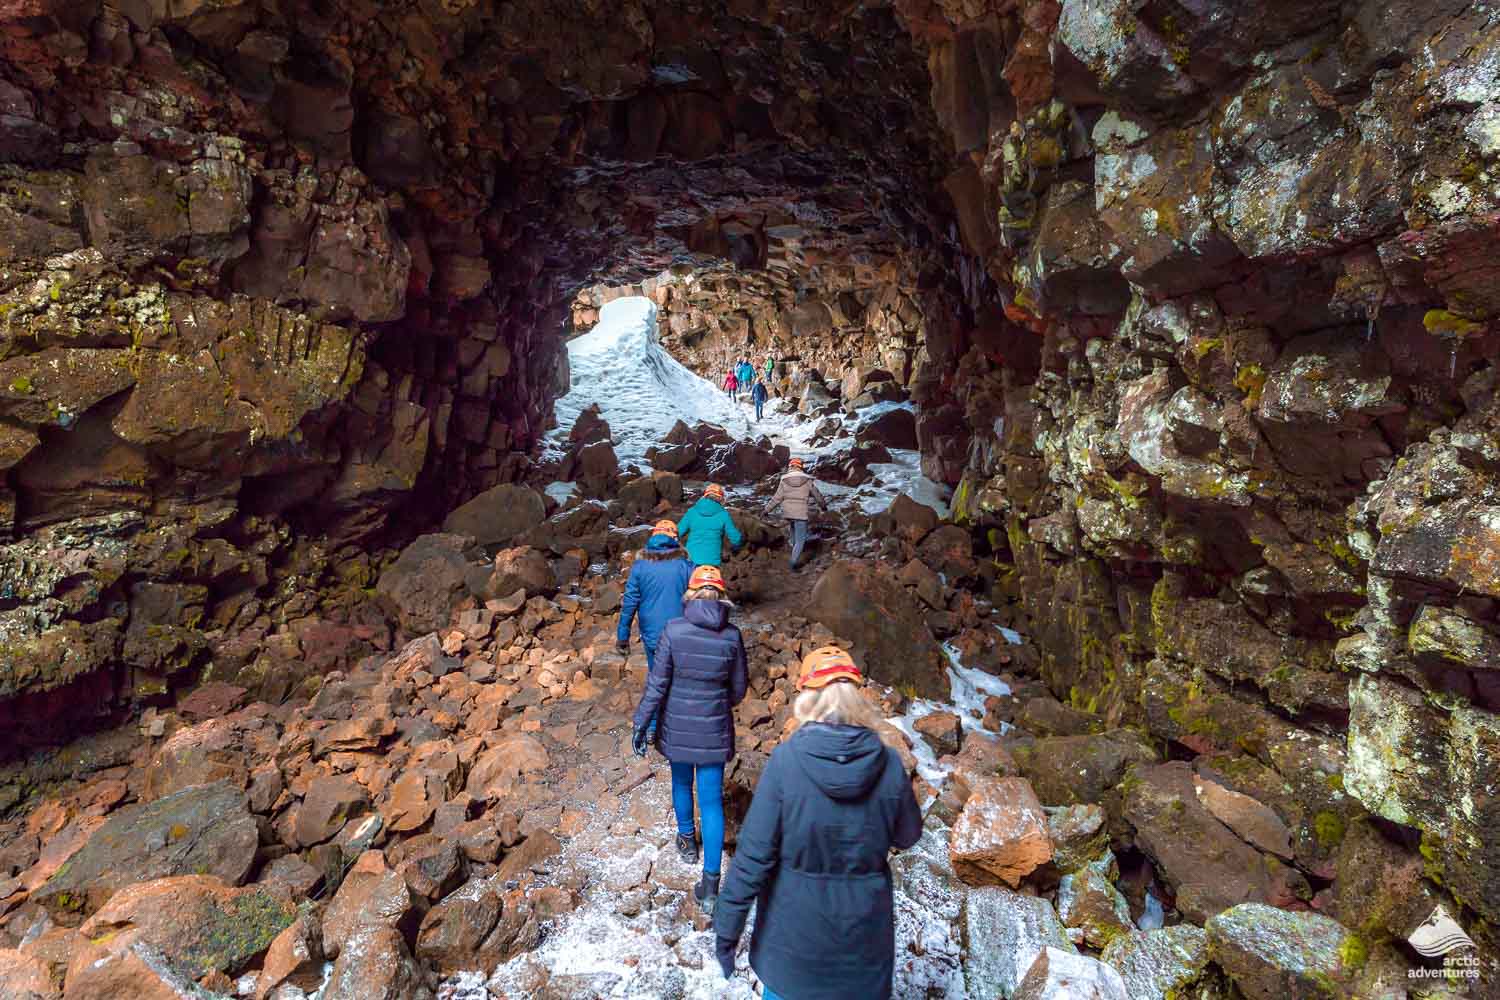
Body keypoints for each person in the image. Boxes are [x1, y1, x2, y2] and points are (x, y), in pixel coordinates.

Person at [713, 647, 921, 999]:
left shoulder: (786, 763)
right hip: (863, 948)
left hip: (792, 949)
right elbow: (908, 834)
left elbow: (753, 857)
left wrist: (727, 933)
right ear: (857, 696)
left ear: (808, 698)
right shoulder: (888, 763)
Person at [632, 564, 748, 915]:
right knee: (712, 802)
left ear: (691, 594)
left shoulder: (674, 630)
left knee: (681, 782)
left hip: (677, 727)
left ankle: (686, 842)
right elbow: (739, 689)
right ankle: (711, 887)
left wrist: (641, 722)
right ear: (721, 596)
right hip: (713, 729)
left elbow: (657, 684)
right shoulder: (732, 636)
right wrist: (716, 701)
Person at [616, 519, 694, 671]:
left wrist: (623, 636)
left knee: (657, 674)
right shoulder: (687, 567)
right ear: (675, 539)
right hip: (682, 631)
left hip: (651, 631)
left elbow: (630, 603)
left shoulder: (639, 567)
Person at [765, 457, 826, 572]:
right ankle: (792, 564)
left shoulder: (784, 480)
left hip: (788, 513)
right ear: (800, 467)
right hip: (801, 513)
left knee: (793, 533)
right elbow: (817, 495)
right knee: (800, 541)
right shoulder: (807, 480)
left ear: (790, 467)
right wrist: (823, 506)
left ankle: (793, 550)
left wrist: (766, 510)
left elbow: (777, 498)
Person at [677, 483, 743, 567]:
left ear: (705, 496)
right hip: (712, 562)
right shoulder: (723, 514)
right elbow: (736, 537)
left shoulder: (692, 511)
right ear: (721, 498)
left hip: (691, 560)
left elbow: (677, 532)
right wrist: (736, 548)